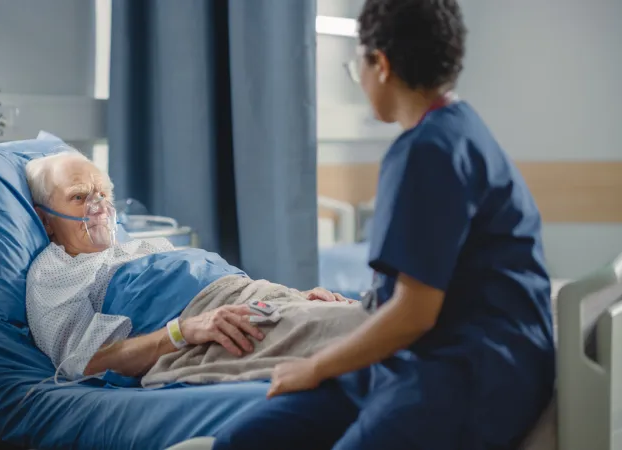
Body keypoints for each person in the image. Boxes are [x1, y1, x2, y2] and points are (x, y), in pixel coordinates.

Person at [212, 1, 555, 449]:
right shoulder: (458, 129)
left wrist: (315, 365)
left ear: (382, 63)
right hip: (430, 357)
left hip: (469, 371)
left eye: (359, 63)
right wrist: (362, 306)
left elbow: (415, 312)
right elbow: (417, 283)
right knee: (245, 439)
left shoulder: (430, 149)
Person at [24, 151, 360, 385]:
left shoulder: (138, 247)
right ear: (46, 220)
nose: (98, 207)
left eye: (103, 194)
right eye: (80, 197)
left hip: (251, 299)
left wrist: (296, 297)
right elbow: (80, 363)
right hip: (213, 326)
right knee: (362, 331)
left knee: (357, 315)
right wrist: (181, 332)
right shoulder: (56, 269)